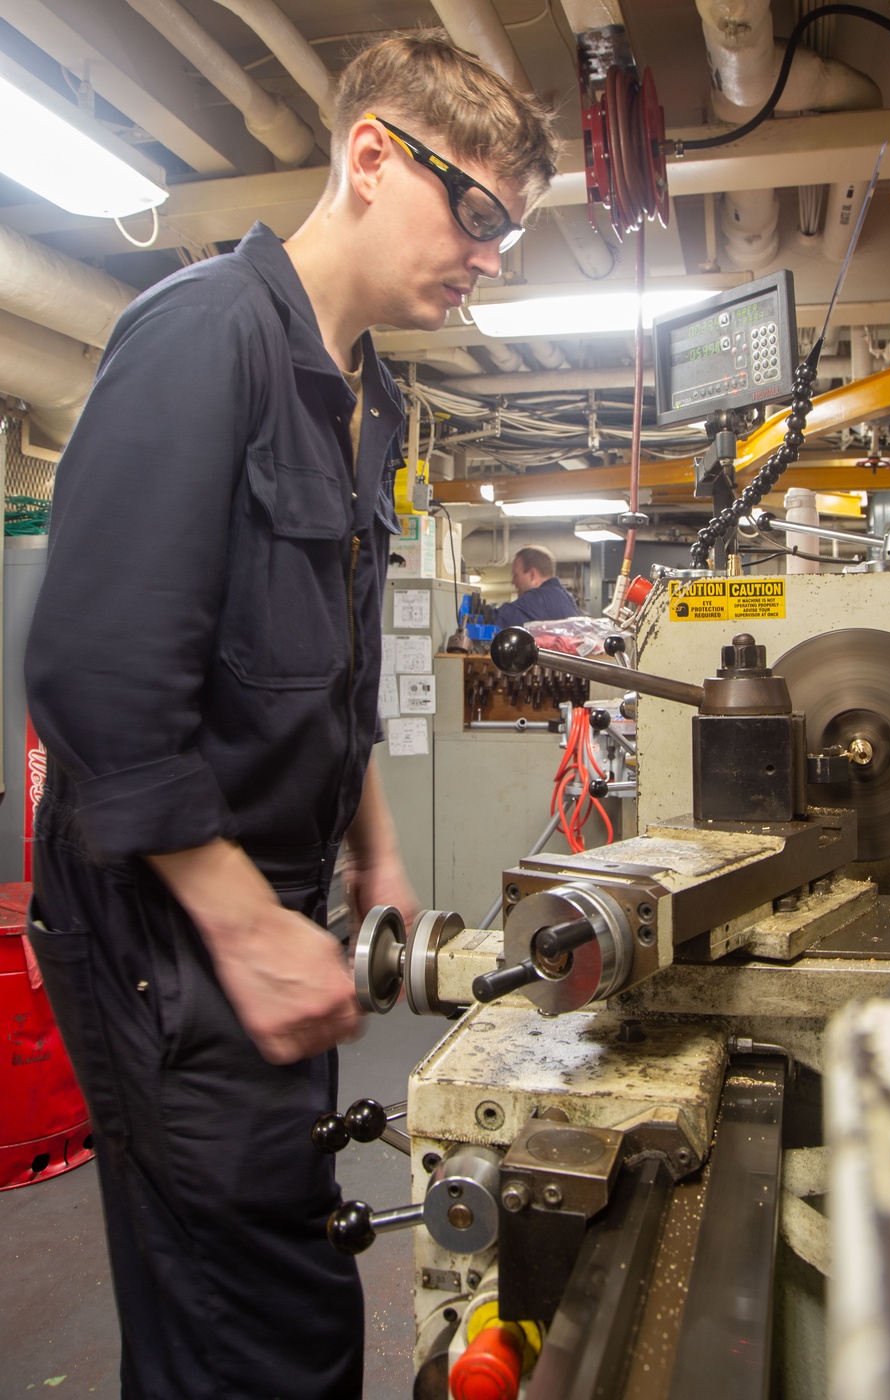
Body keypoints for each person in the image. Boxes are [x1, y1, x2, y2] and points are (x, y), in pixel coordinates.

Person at [23, 34, 558, 1400]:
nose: (493, 257)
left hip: (270, 892)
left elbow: (321, 667)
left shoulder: (364, 394)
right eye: (482, 213)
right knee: (251, 1323)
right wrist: (244, 920)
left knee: (262, 1265)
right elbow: (93, 673)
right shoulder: (205, 336)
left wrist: (370, 847)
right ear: (372, 155)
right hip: (163, 913)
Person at [494, 544, 580, 626]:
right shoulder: (566, 599)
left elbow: (500, 618)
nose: (513, 582)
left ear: (532, 575)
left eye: (516, 575)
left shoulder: (537, 599)